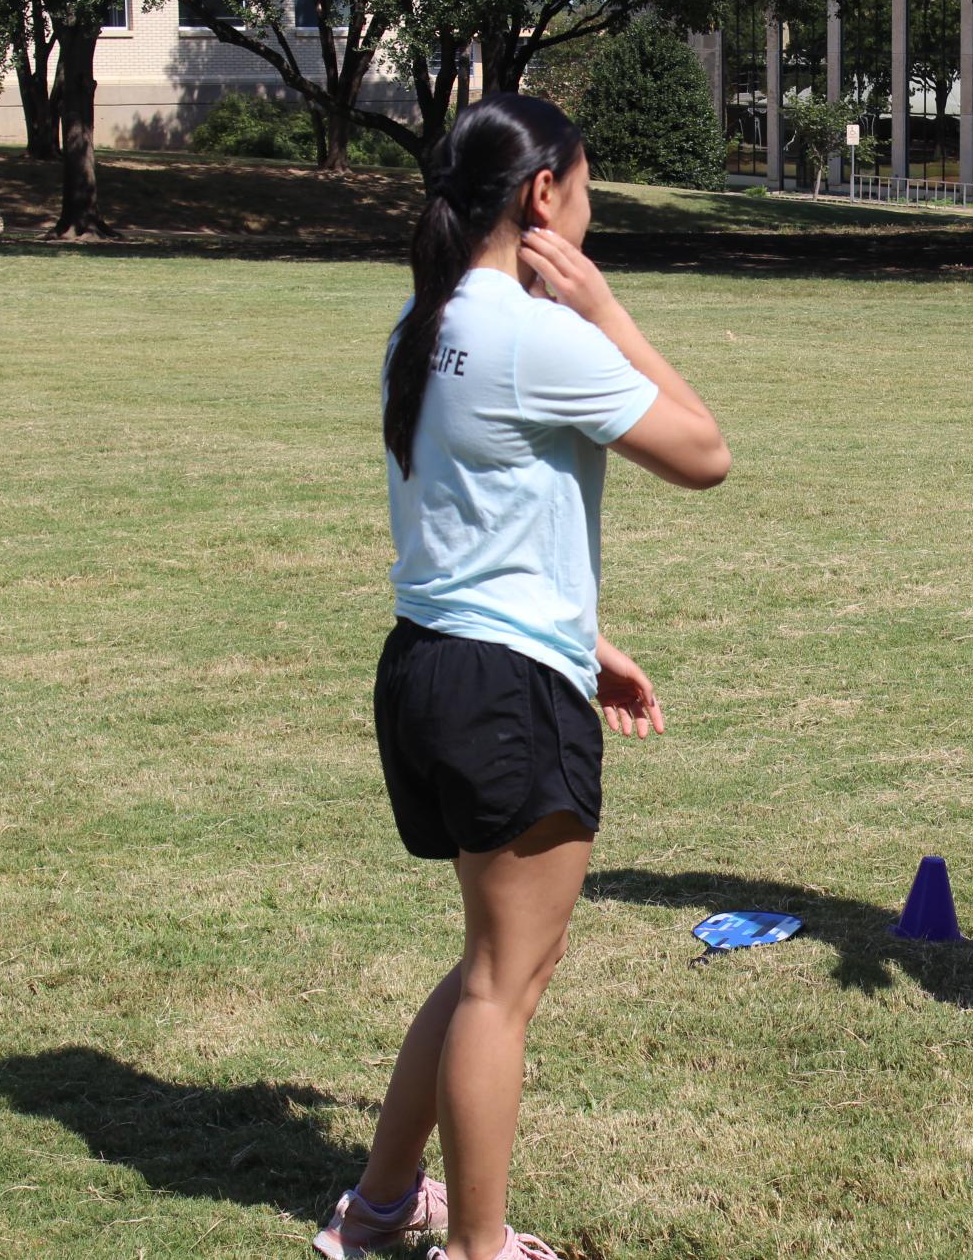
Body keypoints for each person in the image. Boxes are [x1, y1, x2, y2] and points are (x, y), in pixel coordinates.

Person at [312, 94, 729, 1260]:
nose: (590, 211)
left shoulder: (421, 319)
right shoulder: (539, 332)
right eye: (585, 188)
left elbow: (468, 510)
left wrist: (581, 639)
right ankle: (479, 1246)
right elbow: (706, 452)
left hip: (432, 667)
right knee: (508, 980)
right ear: (544, 195)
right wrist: (605, 307)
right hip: (497, 691)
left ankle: (381, 1207)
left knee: (486, 966)